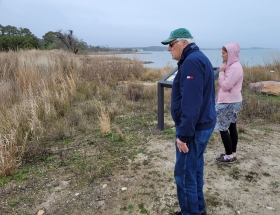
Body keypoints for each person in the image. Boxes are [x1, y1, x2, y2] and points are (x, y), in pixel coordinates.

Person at [161, 28, 216, 215]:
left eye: (171, 44)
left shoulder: (191, 62)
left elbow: (191, 103)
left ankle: (190, 212)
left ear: (184, 43)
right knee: (195, 170)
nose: (169, 49)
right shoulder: (198, 58)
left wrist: (184, 135)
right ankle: (199, 209)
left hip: (193, 129)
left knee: (184, 175)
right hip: (203, 125)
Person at [215, 43, 243, 163]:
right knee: (231, 126)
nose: (222, 55)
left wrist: (221, 72)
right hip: (233, 101)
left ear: (230, 54)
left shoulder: (234, 67)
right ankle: (232, 153)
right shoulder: (233, 66)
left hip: (229, 102)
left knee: (222, 128)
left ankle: (229, 155)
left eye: (224, 53)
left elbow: (226, 86)